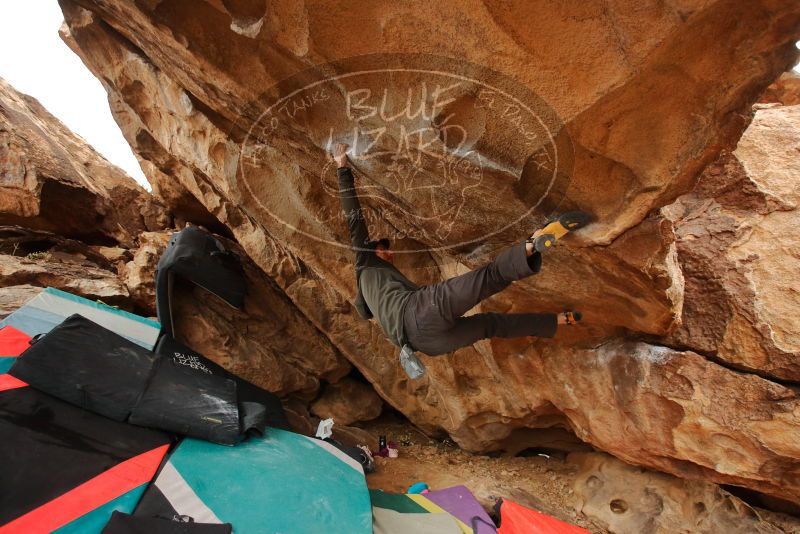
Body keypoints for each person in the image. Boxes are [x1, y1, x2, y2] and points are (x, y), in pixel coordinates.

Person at [333, 143, 588, 375]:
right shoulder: (364, 261)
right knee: (491, 276)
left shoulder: (369, 294)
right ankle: (533, 242)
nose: (389, 253)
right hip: (422, 312)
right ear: (371, 249)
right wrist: (341, 166)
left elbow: (365, 312)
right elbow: (354, 219)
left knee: (491, 325)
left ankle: (554, 321)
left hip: (428, 345)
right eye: (382, 249)